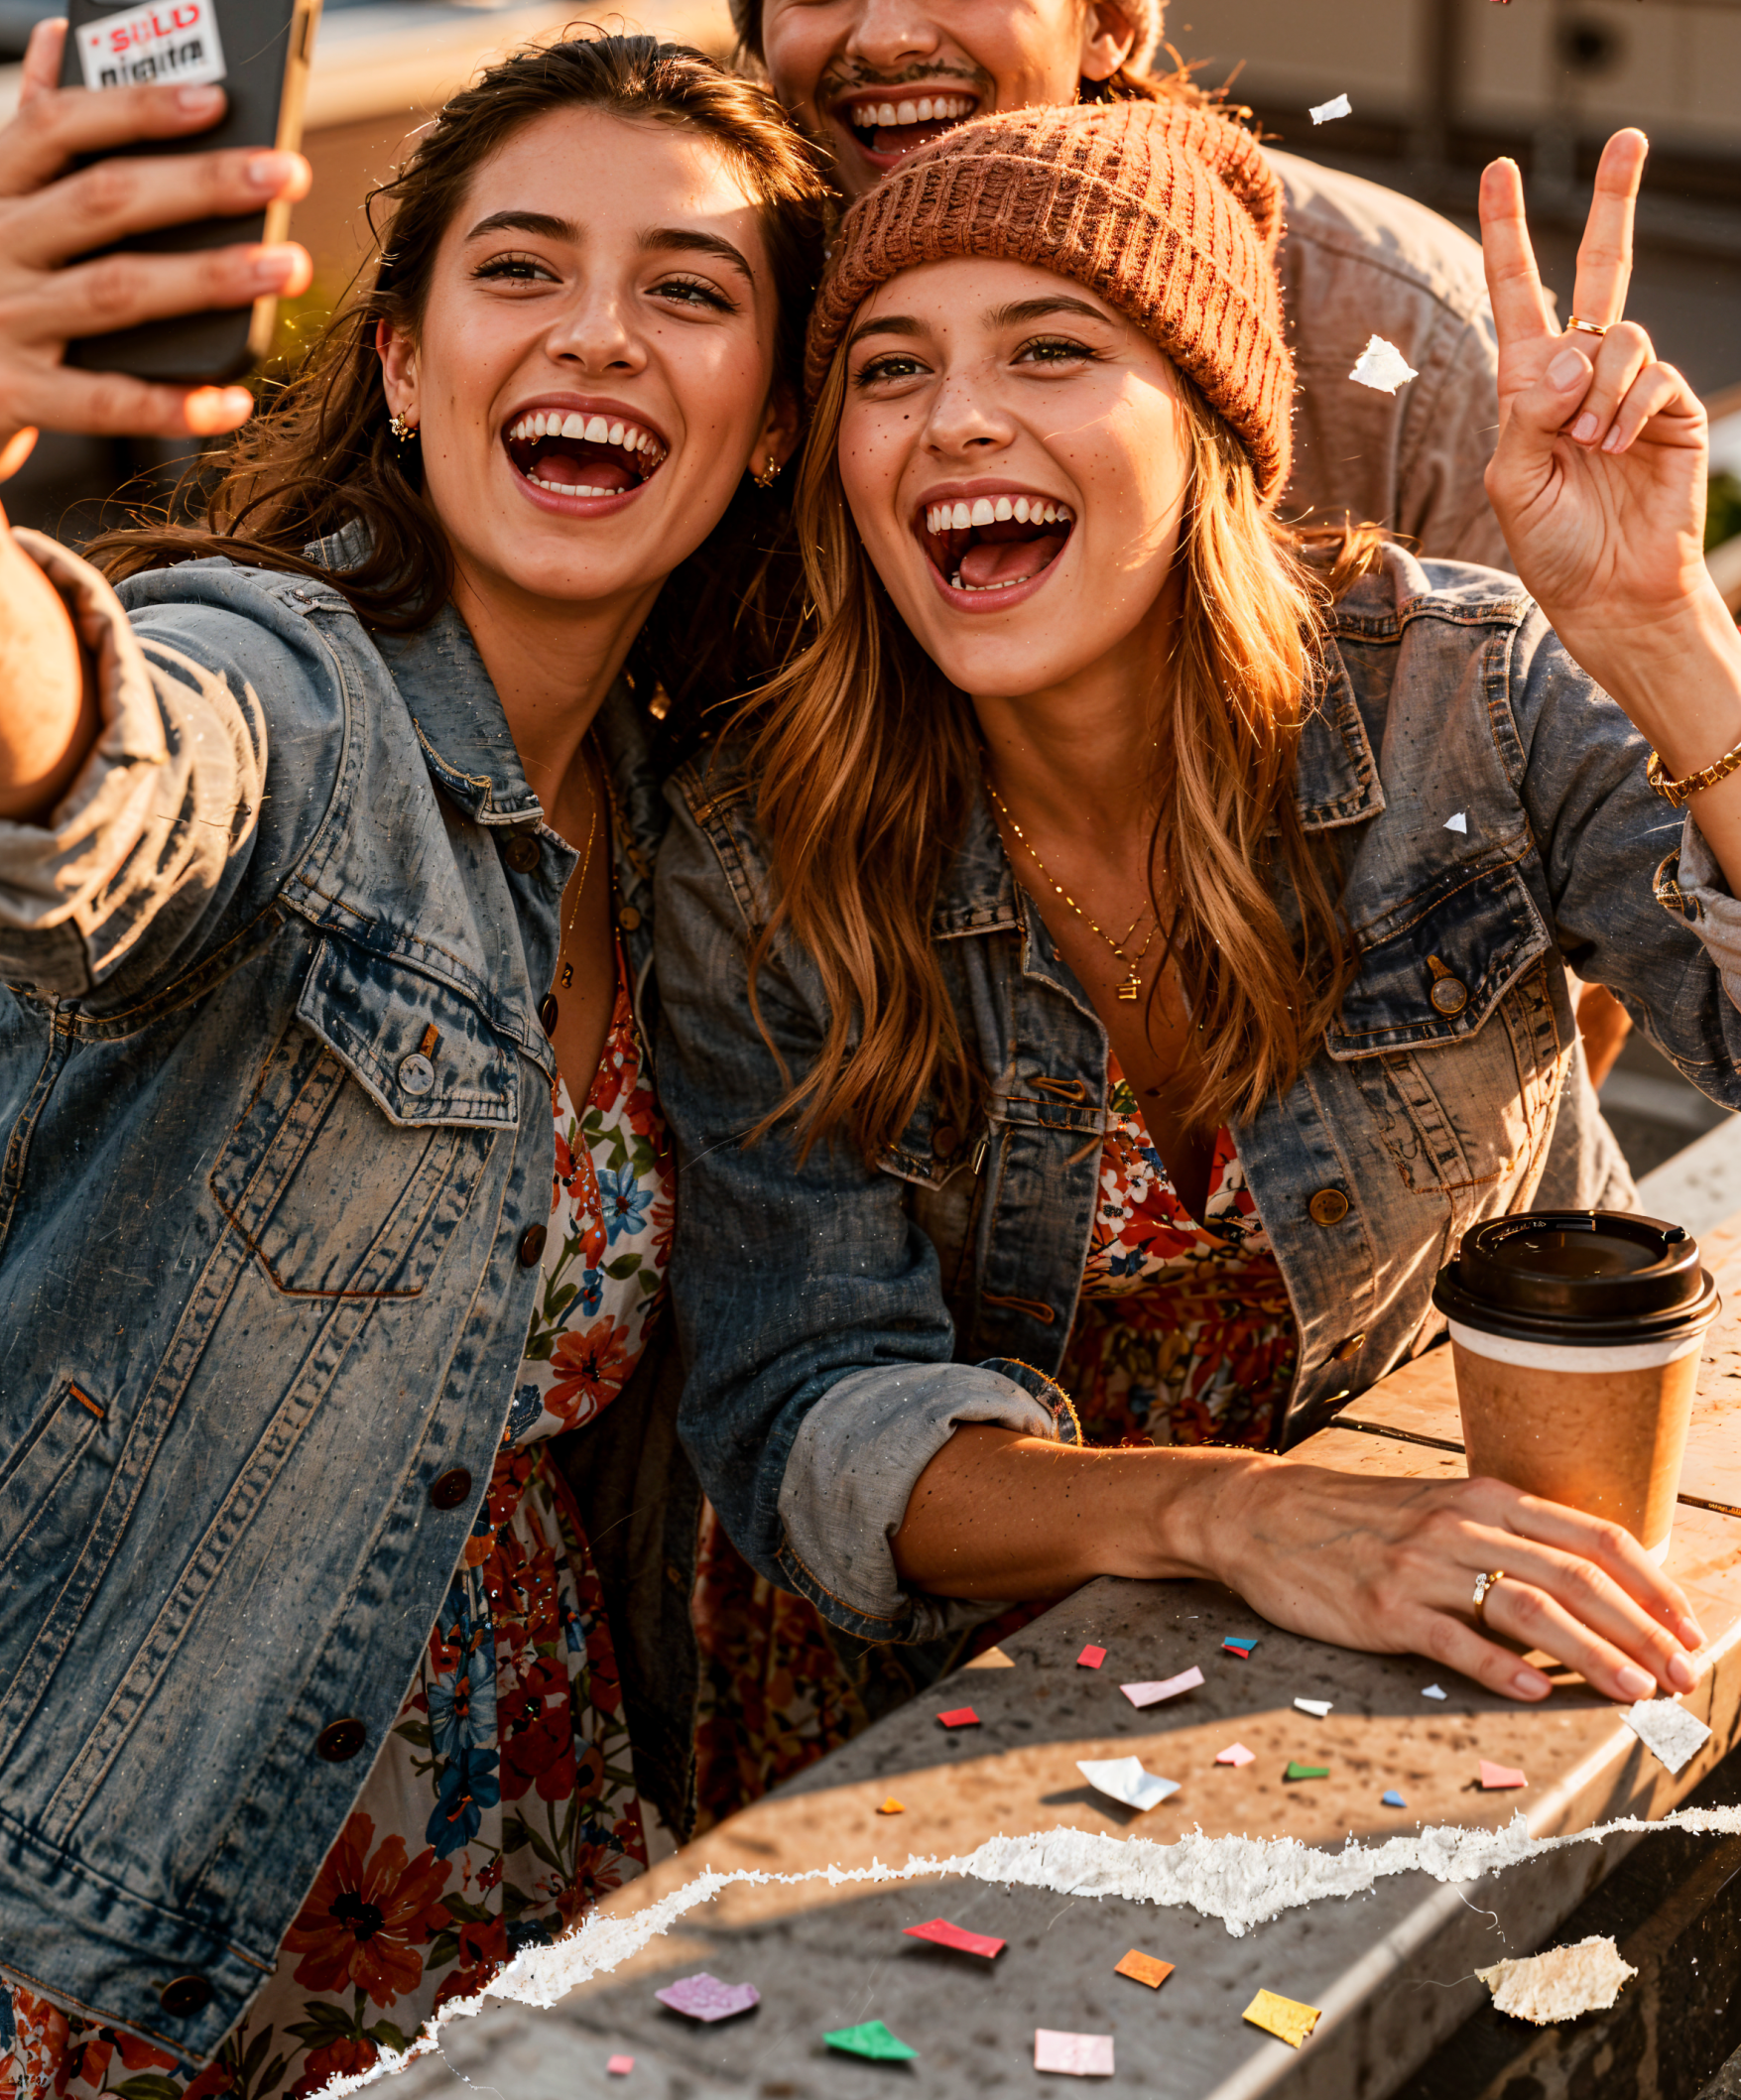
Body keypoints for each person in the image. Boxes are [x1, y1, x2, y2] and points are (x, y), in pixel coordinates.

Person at [0, 26, 828, 2100]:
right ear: (399, 363)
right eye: (523, 268)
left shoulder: (673, 828)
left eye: (693, 288)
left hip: (486, 1857)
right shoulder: (283, 681)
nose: (602, 334)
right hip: (59, 1883)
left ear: (766, 425)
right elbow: (90, 782)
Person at [657, 100, 1741, 1704]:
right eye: (892, 367)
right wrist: (1239, 1515)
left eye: (1048, 350)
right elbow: (807, 1416)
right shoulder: (760, 847)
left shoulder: (1462, 692)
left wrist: (1658, 631)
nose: (957, 418)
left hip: (1437, 1651)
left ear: (1209, 424)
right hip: (939, 1723)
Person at [721, 0, 1637, 1097]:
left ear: (1101, 16)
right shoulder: (734, 326)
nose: (884, 32)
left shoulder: (1391, 331)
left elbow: (1593, 928)